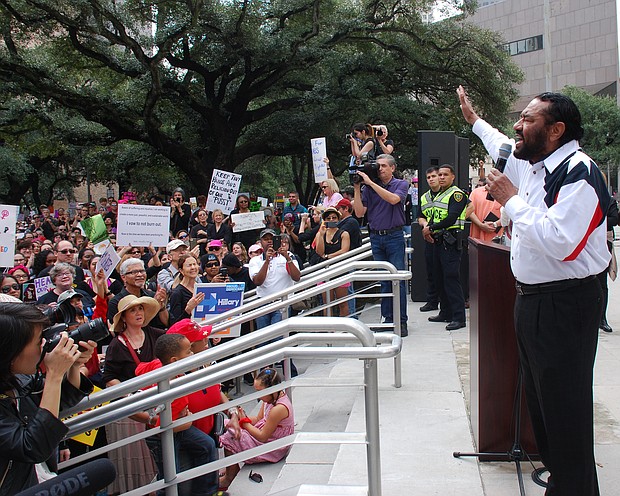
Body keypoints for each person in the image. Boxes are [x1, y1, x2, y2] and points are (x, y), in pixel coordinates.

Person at [458, 85, 610, 496]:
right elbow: (501, 142)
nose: (517, 125)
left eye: (528, 119)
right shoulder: (535, 163)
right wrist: (474, 122)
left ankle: (576, 486)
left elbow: (562, 242)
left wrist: (510, 202)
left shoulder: (579, 172)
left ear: (557, 129)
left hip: (566, 303)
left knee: (566, 410)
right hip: (532, 300)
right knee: (543, 409)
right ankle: (562, 480)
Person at [0, 303, 95, 494]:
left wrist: (73, 365)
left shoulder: (18, 379)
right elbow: (32, 447)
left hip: (33, 481)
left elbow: (58, 401)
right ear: (10, 352)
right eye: (38, 342)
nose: (44, 347)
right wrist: (54, 374)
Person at [136, 333, 227, 496]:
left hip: (179, 426)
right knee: (171, 478)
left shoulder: (172, 371)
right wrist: (186, 421)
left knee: (207, 445)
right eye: (188, 352)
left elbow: (141, 367)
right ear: (174, 361)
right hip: (162, 435)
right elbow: (162, 426)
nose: (192, 355)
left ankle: (206, 492)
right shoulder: (165, 383)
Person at [102, 295, 163, 494]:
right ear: (124, 318)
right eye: (133, 310)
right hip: (131, 411)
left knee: (156, 455)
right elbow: (109, 377)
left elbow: (175, 340)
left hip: (155, 402)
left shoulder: (154, 334)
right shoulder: (116, 345)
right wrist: (130, 397)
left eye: (140, 309)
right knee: (136, 457)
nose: (138, 313)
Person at [353, 154, 409, 336]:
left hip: (394, 236)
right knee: (384, 282)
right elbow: (360, 213)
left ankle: (400, 322)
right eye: (378, 166)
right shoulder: (369, 188)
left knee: (397, 280)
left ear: (392, 168)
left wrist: (370, 183)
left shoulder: (401, 184)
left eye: (384, 166)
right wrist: (357, 188)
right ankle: (388, 320)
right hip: (376, 237)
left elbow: (394, 200)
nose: (380, 169)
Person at [218, 368, 294, 489]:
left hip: (273, 447)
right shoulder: (270, 399)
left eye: (260, 391)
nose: (257, 395)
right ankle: (231, 468)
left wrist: (244, 423)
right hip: (266, 435)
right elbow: (259, 419)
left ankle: (230, 476)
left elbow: (263, 437)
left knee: (230, 435)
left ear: (271, 389)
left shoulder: (279, 408)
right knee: (228, 424)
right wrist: (243, 417)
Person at [422, 165, 468, 331]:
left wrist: (430, 229)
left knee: (451, 279)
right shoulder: (438, 195)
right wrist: (430, 230)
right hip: (438, 240)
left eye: (445, 175)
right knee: (439, 278)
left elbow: (451, 218)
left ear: (452, 177)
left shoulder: (456, 194)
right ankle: (445, 312)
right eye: (439, 174)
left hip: (450, 239)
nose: (441, 177)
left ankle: (458, 317)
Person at [315, 207, 351, 317]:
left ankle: (344, 328)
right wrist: (321, 235)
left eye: (334, 218)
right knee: (327, 304)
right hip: (325, 270)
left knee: (342, 303)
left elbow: (344, 250)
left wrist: (328, 256)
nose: (331, 220)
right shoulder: (320, 233)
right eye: (328, 218)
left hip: (340, 269)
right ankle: (328, 330)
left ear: (338, 219)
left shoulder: (344, 234)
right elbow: (319, 251)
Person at [418, 167, 441, 313]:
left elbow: (468, 208)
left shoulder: (449, 193)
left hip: (444, 237)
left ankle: (446, 304)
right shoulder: (424, 197)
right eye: (428, 177)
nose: (431, 179)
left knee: (445, 273)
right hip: (429, 237)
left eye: (434, 176)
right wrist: (425, 225)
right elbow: (420, 216)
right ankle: (432, 301)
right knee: (431, 272)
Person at [169, 254, 206, 325]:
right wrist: (188, 309)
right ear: (181, 270)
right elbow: (175, 323)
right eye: (189, 265)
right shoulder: (177, 293)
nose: (193, 267)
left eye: (194, 264)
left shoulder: (201, 287)